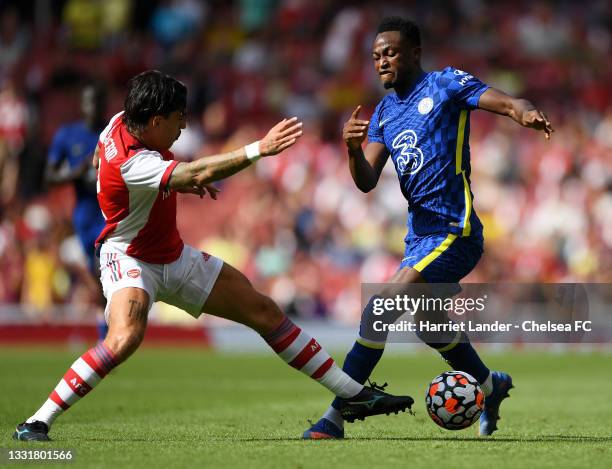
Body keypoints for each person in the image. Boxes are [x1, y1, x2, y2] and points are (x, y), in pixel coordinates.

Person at [13, 70, 413, 442]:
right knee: (124, 338)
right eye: (177, 118)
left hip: (172, 256)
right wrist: (260, 148)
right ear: (154, 122)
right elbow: (194, 172)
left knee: (263, 311)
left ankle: (352, 394)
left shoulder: (122, 121)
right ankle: (36, 422)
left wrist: (168, 182)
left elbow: (148, 166)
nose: (184, 125)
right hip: (130, 258)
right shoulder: (133, 162)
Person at [303, 17, 553, 440]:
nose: (382, 61)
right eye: (376, 55)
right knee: (428, 323)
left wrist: (523, 110)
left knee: (378, 309)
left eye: (391, 53)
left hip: (455, 231)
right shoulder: (384, 112)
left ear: (415, 53)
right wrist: (351, 150)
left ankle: (336, 415)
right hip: (420, 237)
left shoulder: (444, 85)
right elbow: (365, 181)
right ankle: (490, 387)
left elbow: (507, 101)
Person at [45, 83, 109, 340]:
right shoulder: (67, 135)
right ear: (81, 104)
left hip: (113, 214)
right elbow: (49, 176)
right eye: (87, 101)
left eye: (96, 102)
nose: (91, 107)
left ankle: (108, 334)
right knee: (98, 274)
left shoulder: (113, 132)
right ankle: (107, 332)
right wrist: (77, 172)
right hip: (85, 217)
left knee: (104, 270)